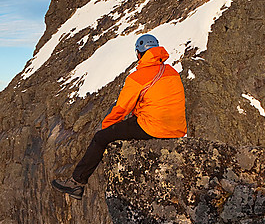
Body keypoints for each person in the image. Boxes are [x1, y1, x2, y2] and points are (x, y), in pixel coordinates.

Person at [52, 33, 187, 199]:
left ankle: (76, 183)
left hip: (153, 127)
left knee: (100, 138)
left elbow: (121, 109)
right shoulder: (172, 71)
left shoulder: (137, 77)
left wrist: (107, 129)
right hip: (177, 129)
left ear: (138, 54)